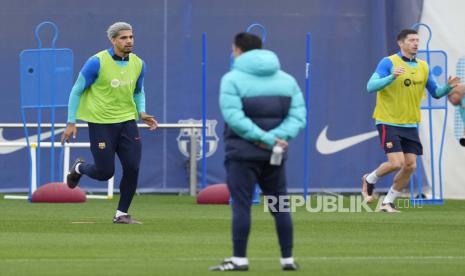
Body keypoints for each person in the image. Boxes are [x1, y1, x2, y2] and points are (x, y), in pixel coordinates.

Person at [209, 33, 306, 271]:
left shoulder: (231, 79)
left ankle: (239, 260)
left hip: (242, 154)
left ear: (239, 50)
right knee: (280, 205)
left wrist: (264, 139)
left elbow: (234, 117)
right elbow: (298, 116)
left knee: (241, 205)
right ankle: (288, 260)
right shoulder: (287, 79)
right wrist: (278, 139)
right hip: (275, 153)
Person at [60, 22, 157, 224]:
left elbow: (139, 92)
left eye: (131, 37)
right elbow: (76, 90)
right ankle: (79, 168)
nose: (129, 41)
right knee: (105, 173)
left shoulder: (139, 63)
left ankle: (121, 213)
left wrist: (142, 112)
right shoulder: (96, 62)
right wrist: (71, 122)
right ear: (113, 40)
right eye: (123, 38)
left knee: (132, 167)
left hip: (127, 122)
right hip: (100, 124)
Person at [362, 29, 463, 212]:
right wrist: (392, 76)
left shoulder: (423, 66)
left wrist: (448, 87)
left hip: (410, 123)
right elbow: (370, 87)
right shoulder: (389, 62)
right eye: (411, 40)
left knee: (410, 166)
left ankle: (387, 203)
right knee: (396, 163)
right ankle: (370, 179)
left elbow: (436, 93)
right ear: (401, 43)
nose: (416, 43)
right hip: (388, 120)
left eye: (417, 40)